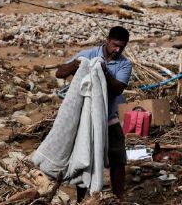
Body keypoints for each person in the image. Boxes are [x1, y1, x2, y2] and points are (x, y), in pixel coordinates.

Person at [55, 26, 132, 202]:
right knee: (85, 158)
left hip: (109, 118)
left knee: (118, 159)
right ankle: (82, 199)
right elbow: (59, 73)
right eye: (114, 45)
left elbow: (118, 88)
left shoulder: (124, 64)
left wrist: (104, 71)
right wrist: (76, 64)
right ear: (107, 40)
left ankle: (118, 197)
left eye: (122, 47)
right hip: (85, 120)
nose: (117, 50)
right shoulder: (88, 54)